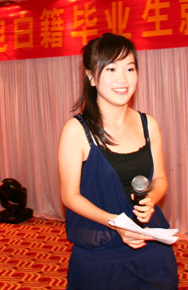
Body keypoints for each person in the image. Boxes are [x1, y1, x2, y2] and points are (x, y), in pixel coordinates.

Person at [57, 33, 179, 290]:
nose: (122, 78)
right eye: (111, 69)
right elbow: (70, 196)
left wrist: (152, 199)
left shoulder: (148, 124)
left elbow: (159, 179)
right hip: (100, 249)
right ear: (91, 77)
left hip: (149, 244)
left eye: (130, 68)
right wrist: (116, 223)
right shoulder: (76, 130)